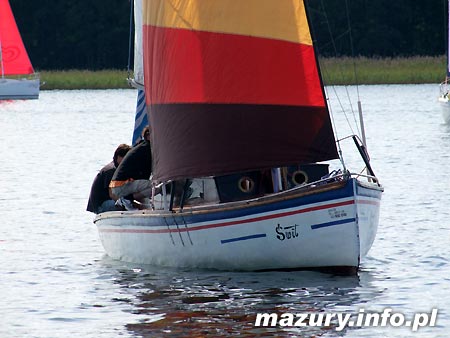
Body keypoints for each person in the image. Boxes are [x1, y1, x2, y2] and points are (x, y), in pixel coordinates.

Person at [110, 126, 153, 210]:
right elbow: (146, 172)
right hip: (120, 186)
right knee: (157, 187)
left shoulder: (140, 146)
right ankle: (126, 199)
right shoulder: (146, 149)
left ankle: (127, 199)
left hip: (117, 185)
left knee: (152, 186)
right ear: (148, 136)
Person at [87, 143, 131, 214]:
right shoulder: (111, 170)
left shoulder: (117, 168)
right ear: (119, 157)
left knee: (127, 203)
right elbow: (112, 194)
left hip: (107, 201)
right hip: (100, 205)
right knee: (127, 206)